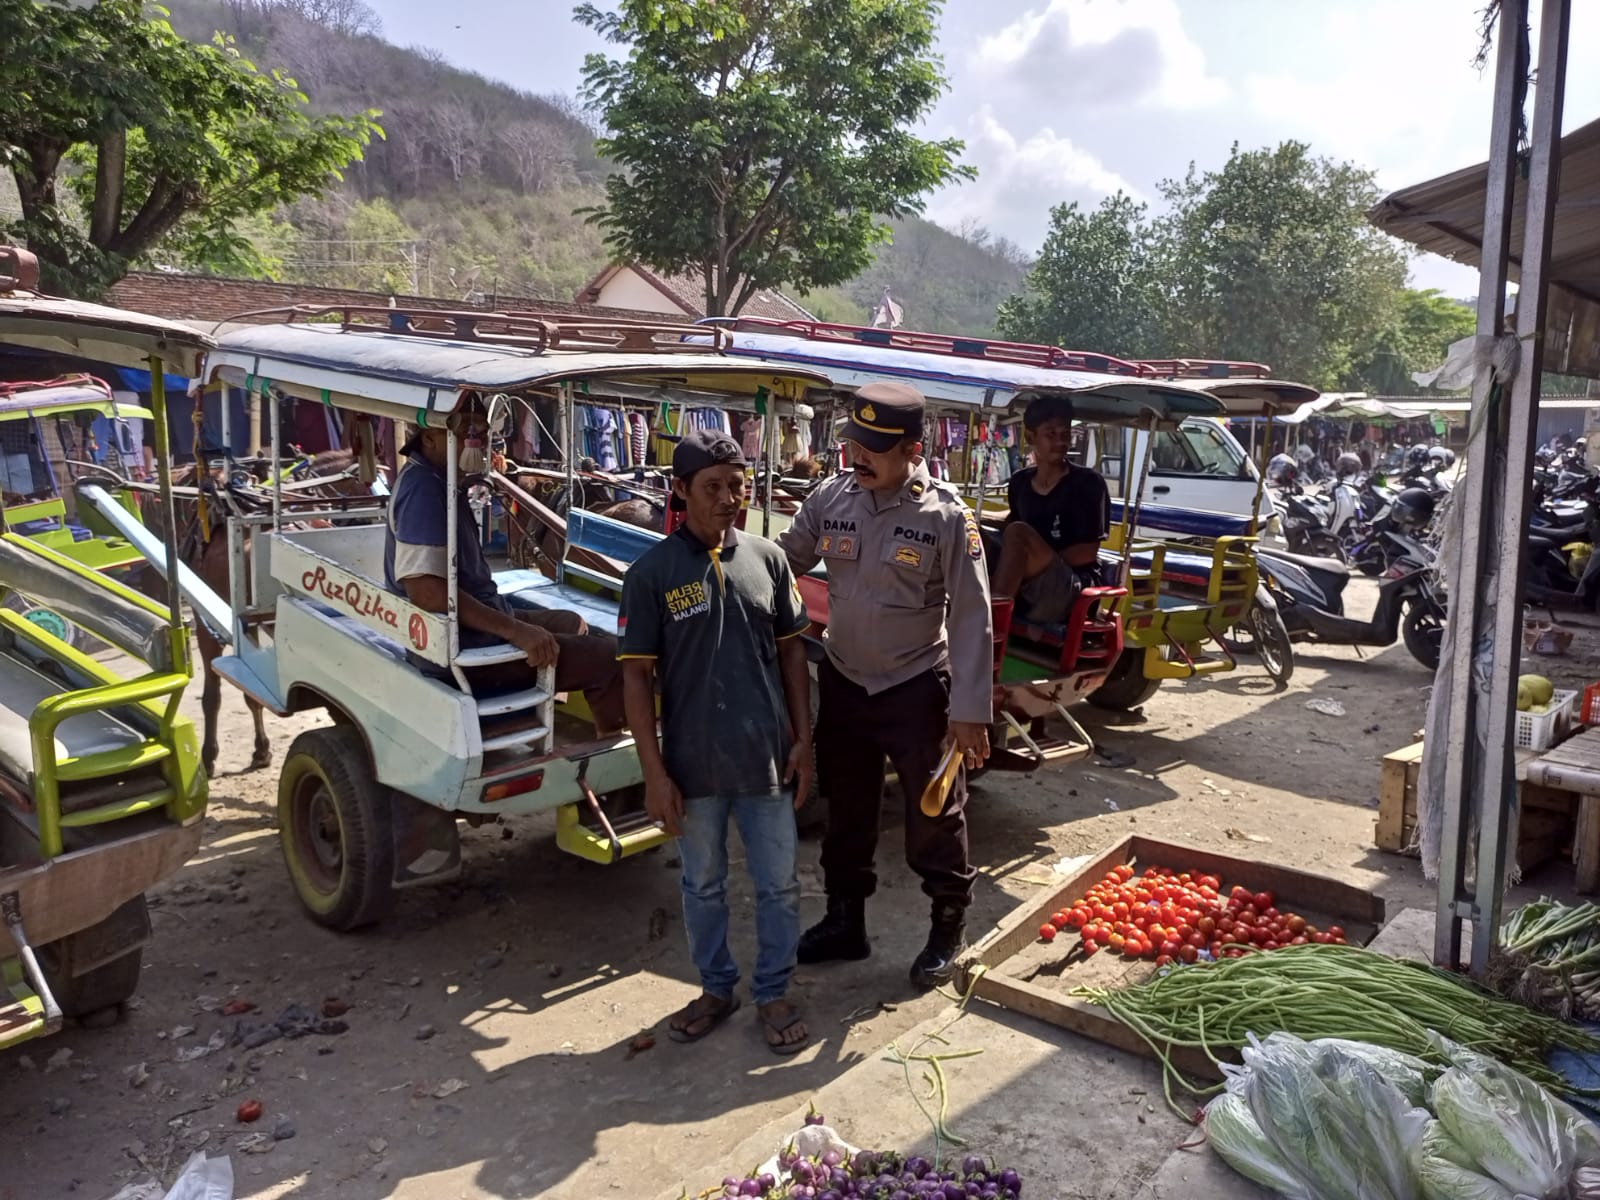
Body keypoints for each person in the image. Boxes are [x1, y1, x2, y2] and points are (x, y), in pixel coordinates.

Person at [776, 381, 993, 990]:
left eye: (875, 447)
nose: (859, 456)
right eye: (854, 443)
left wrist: (971, 711)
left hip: (917, 684)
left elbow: (973, 614)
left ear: (914, 449)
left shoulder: (947, 515)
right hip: (844, 680)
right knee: (846, 811)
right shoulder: (831, 498)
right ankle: (847, 921)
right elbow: (784, 560)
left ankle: (948, 924)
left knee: (934, 818)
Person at [617, 429, 814, 1054]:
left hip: (764, 761)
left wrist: (804, 741)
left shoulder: (768, 560)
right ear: (680, 491)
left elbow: (792, 658)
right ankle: (716, 987)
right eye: (713, 487)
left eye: (737, 485)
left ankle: (774, 990)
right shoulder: (652, 574)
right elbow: (636, 678)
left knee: (779, 884)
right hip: (693, 768)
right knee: (701, 884)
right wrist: (653, 774)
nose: (729, 498)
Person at [383, 393, 626, 733]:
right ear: (428, 436)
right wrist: (517, 631)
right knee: (610, 658)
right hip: (460, 648)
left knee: (571, 622)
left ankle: (539, 715)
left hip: (471, 627)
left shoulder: (442, 480)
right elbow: (426, 591)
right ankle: (610, 763)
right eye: (468, 431)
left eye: (481, 431)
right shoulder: (425, 489)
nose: (477, 440)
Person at [990, 395, 1109, 626]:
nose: (1060, 442)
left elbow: (1088, 552)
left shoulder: (1088, 483)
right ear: (1030, 436)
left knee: (1017, 532)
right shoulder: (1019, 483)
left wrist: (1027, 567)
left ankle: (990, 621)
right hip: (1030, 581)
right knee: (974, 534)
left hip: (1071, 585)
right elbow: (1012, 523)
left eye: (1065, 434)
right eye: (1051, 434)